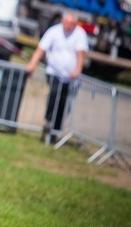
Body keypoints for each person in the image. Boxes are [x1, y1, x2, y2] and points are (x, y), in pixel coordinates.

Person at [25, 11, 89, 143]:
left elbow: (81, 54)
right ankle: (48, 121)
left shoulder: (79, 34)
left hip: (71, 77)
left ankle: (55, 130)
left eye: (71, 24)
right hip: (54, 72)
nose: (68, 26)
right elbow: (41, 49)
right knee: (54, 94)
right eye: (66, 23)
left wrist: (77, 70)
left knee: (64, 103)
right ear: (62, 22)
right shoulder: (53, 32)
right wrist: (32, 63)